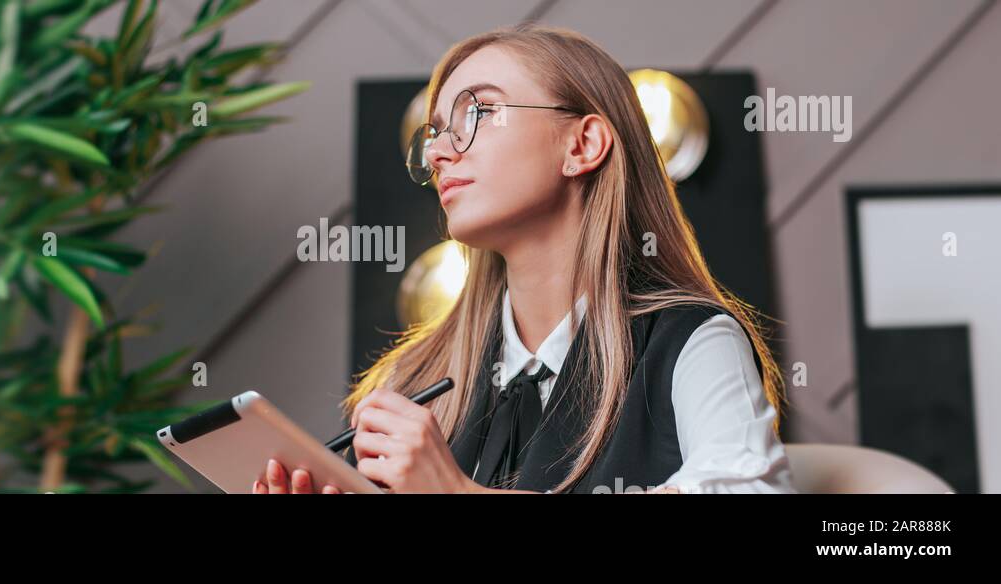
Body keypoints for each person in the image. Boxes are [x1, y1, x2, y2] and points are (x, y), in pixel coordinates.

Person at [254, 23, 795, 494]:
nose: (440, 153)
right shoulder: (411, 379)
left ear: (582, 145)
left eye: (480, 112)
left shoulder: (691, 343)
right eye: (436, 132)